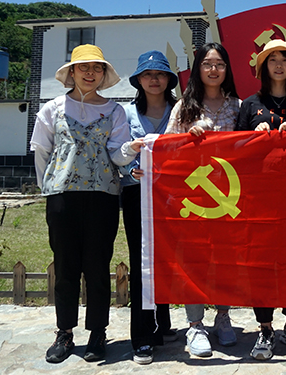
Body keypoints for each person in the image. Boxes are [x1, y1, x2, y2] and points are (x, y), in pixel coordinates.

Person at [30, 44, 142, 364]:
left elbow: (117, 154)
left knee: (97, 267)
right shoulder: (52, 108)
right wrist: (50, 186)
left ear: (104, 74)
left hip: (102, 197)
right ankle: (64, 332)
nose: (90, 73)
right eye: (84, 67)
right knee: (65, 266)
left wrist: (131, 149)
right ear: (72, 72)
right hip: (62, 198)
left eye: (97, 68)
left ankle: (97, 333)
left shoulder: (114, 111)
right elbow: (41, 151)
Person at [236, 39, 286, 361]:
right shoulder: (250, 105)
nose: (279, 64)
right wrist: (252, 138)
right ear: (263, 67)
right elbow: (234, 150)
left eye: (284, 59)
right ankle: (265, 328)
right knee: (261, 263)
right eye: (272, 59)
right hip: (259, 198)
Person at [165, 42, 241, 358]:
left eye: (219, 64)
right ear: (198, 69)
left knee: (225, 260)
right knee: (193, 261)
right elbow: (167, 149)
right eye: (207, 64)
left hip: (230, 198)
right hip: (193, 198)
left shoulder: (238, 105)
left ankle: (223, 315)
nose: (213, 69)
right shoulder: (184, 107)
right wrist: (188, 138)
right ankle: (195, 324)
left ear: (227, 69)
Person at [120, 50, 179, 365]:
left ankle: (162, 324)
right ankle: (142, 336)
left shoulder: (181, 110)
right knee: (141, 261)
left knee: (167, 259)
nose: (154, 79)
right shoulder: (125, 113)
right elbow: (116, 153)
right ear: (138, 80)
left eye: (160, 74)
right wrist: (131, 170)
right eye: (147, 74)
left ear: (169, 79)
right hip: (137, 194)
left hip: (174, 196)